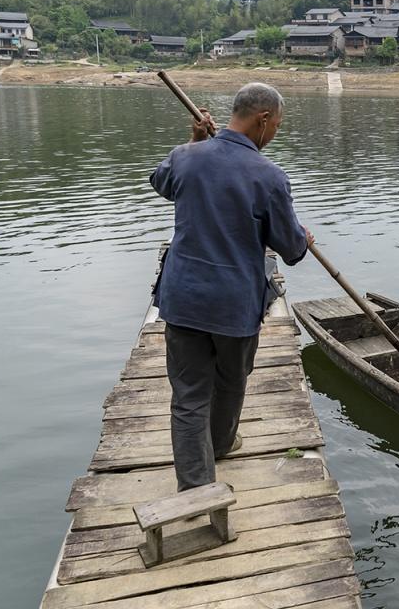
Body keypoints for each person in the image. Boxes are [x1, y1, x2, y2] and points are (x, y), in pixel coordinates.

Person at [149, 82, 313, 491]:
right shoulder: (269, 176)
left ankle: (196, 486)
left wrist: (192, 142)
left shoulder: (187, 157)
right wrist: (304, 238)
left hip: (184, 297)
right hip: (234, 305)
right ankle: (220, 445)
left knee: (189, 395)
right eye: (276, 124)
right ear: (262, 119)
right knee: (230, 383)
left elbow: (161, 183)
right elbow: (290, 250)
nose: (274, 132)